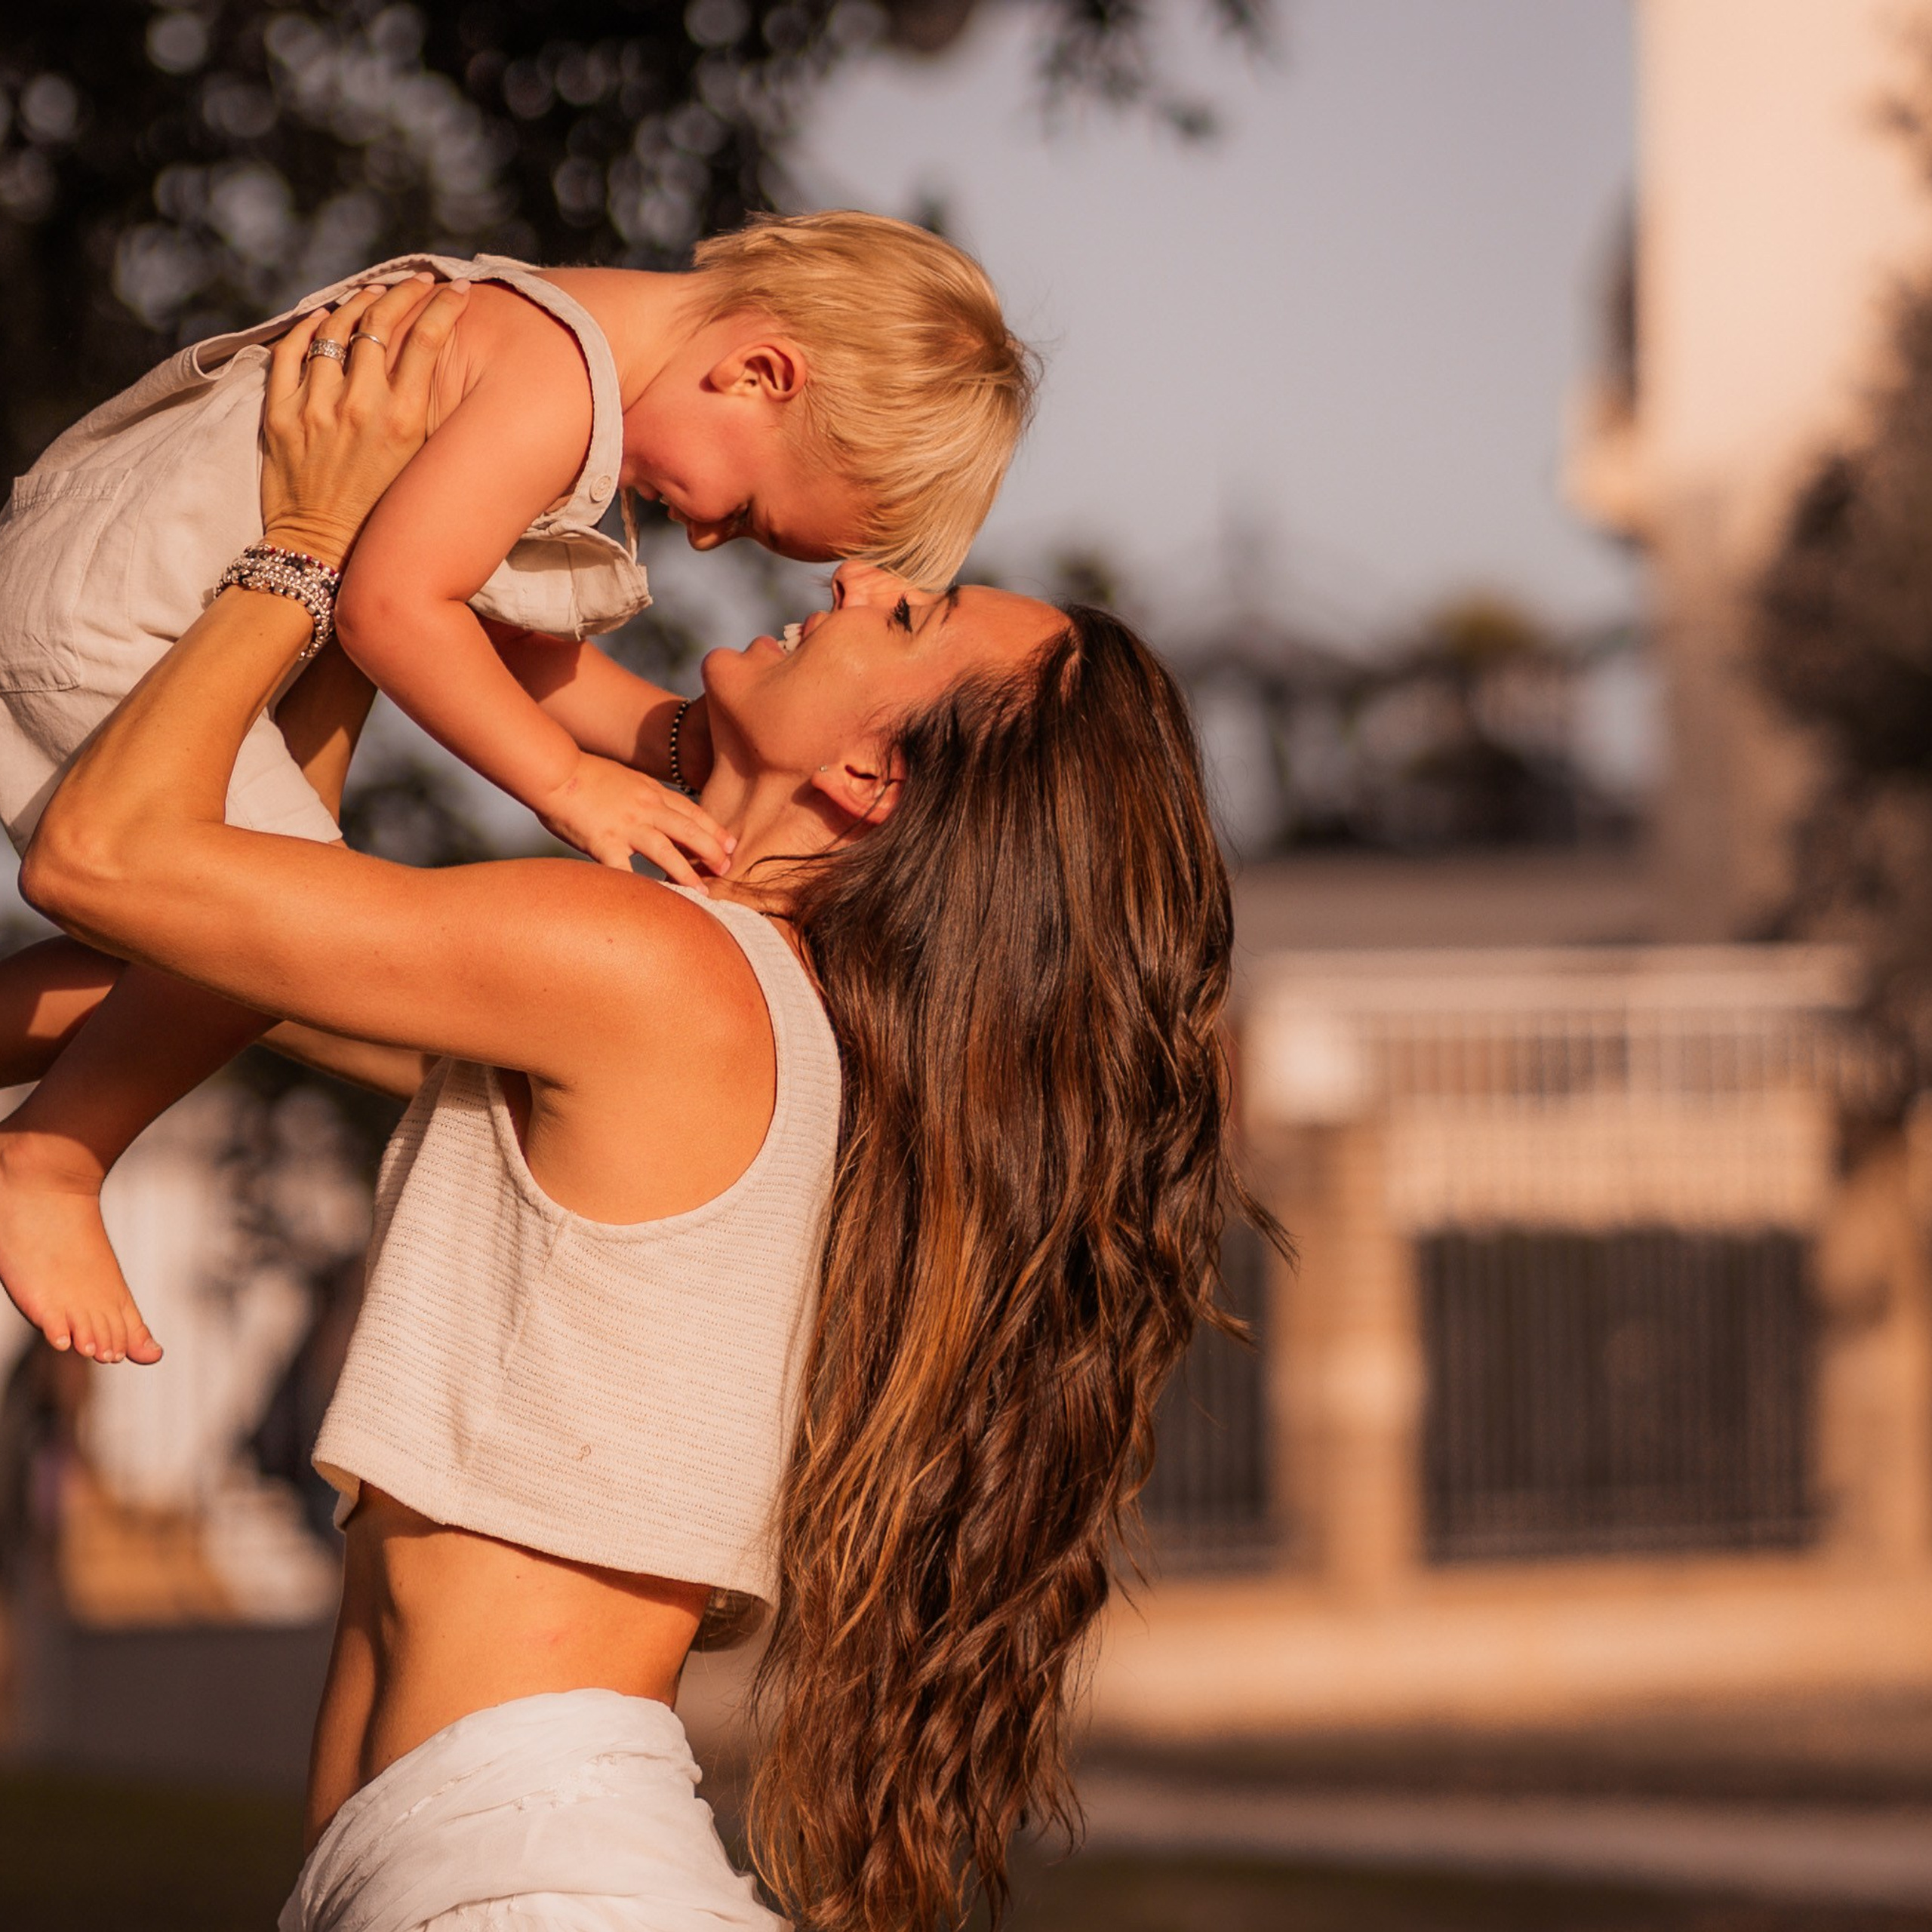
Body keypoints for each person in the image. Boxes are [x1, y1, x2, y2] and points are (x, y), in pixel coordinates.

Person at [23, 279, 1266, 1931]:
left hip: (522, 1875)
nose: (859, 574)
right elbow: (214, 959)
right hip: (466, 1861)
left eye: (915, 616)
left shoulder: (651, 973)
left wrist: (300, 545)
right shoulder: (714, 1002)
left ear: (870, 778)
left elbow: (102, 855)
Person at [0, 211, 1035, 1371]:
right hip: (116, 618)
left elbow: (516, 646)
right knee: (273, 922)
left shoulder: (552, 342)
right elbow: (394, 611)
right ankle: (54, 1153)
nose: (700, 540)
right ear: (758, 375)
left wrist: (675, 743)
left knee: (225, 947)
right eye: (742, 514)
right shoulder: (552, 380)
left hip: (103, 571)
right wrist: (567, 785)